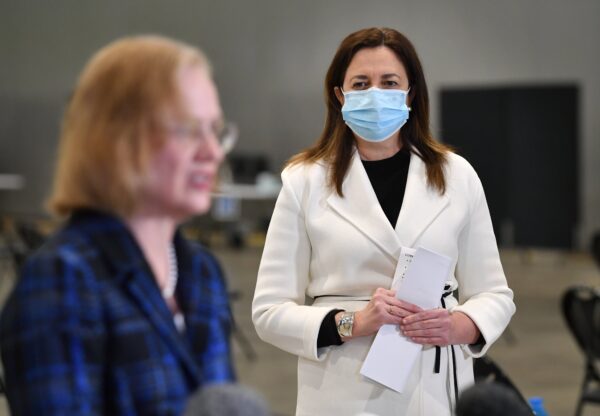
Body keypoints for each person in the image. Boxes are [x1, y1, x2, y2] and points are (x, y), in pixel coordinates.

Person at [252, 27, 515, 415]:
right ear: (339, 95)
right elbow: (269, 311)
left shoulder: (457, 175)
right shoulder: (303, 181)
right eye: (361, 83)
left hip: (434, 386)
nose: (375, 93)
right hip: (343, 390)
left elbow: (495, 295)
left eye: (389, 82)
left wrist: (459, 326)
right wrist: (353, 323)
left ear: (410, 93)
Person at [0, 35, 236, 415]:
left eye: (216, 130)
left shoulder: (202, 272)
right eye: (189, 129)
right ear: (118, 138)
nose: (212, 153)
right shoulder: (64, 279)